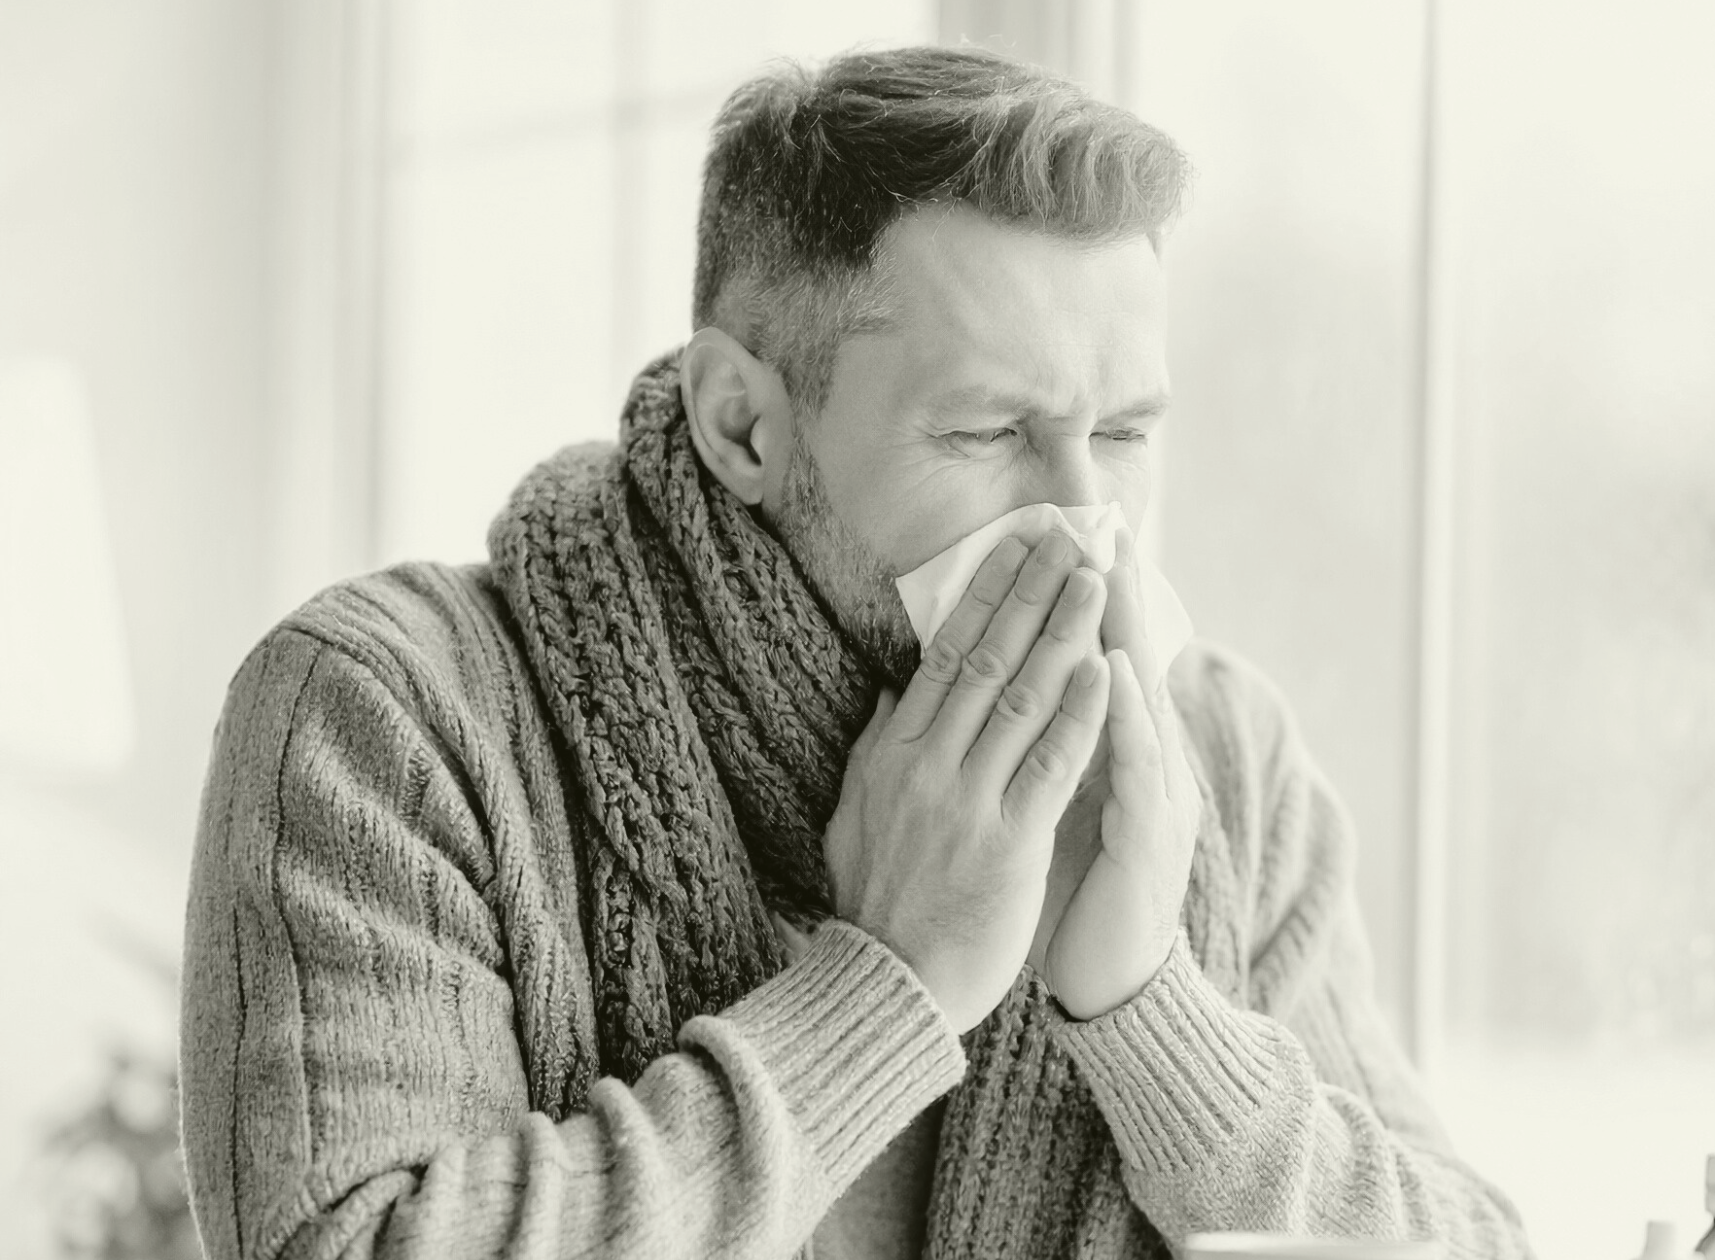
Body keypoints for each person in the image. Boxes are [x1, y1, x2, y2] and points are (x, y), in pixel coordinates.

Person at [179, 44, 1534, 1260]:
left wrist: (1147, 1011)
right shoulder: (391, 715)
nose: (1088, 518)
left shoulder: (1219, 758)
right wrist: (888, 993)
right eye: (991, 433)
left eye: (1121, 432)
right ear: (745, 426)